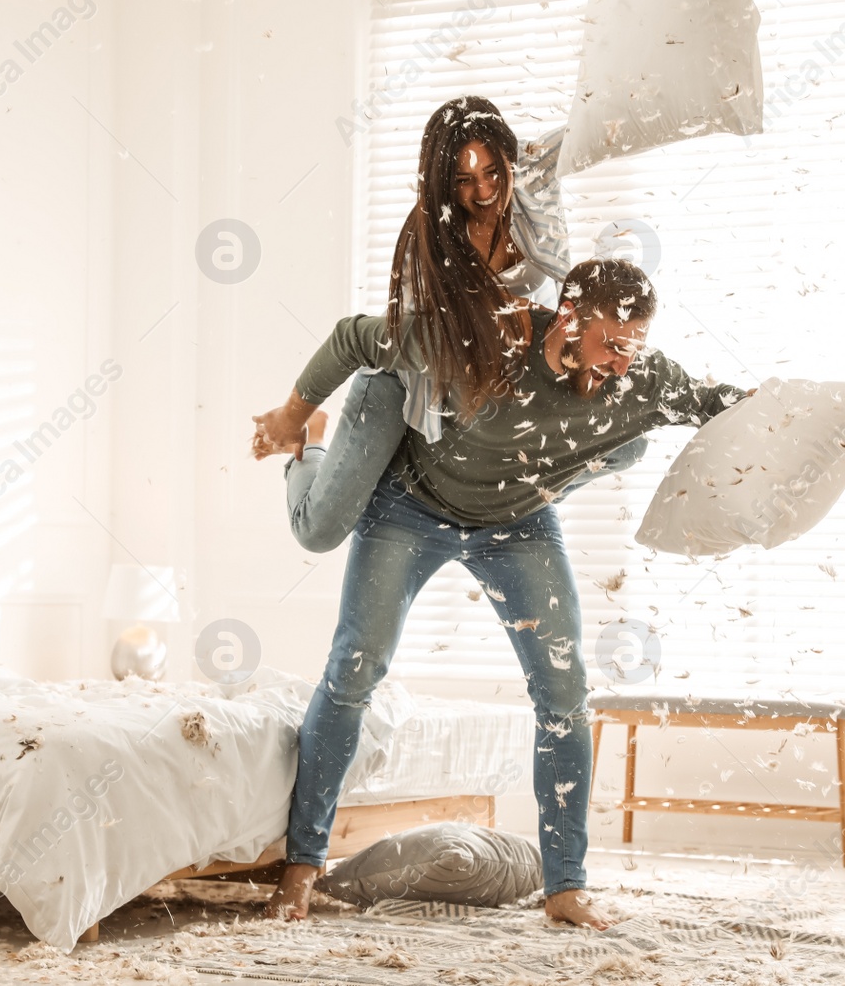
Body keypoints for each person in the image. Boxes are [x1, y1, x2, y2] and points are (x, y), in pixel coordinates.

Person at [251, 258, 749, 929]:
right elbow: (351, 336)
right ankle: (300, 868)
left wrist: (804, 420)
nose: (621, 365)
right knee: (354, 668)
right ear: (570, 317)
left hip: (516, 522)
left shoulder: (642, 380)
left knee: (564, 692)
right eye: (610, 344)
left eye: (633, 348)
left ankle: (566, 885)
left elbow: (732, 411)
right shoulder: (488, 338)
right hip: (413, 504)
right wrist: (293, 413)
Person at [266, 95, 646, 554]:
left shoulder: (532, 173)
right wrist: (293, 417)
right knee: (318, 532)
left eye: (492, 172)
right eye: (464, 180)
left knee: (629, 443)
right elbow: (382, 343)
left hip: (514, 372)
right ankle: (310, 449)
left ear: (510, 158)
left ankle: (520, 500)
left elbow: (599, 126)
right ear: (444, 184)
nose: (484, 191)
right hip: (421, 376)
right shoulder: (426, 245)